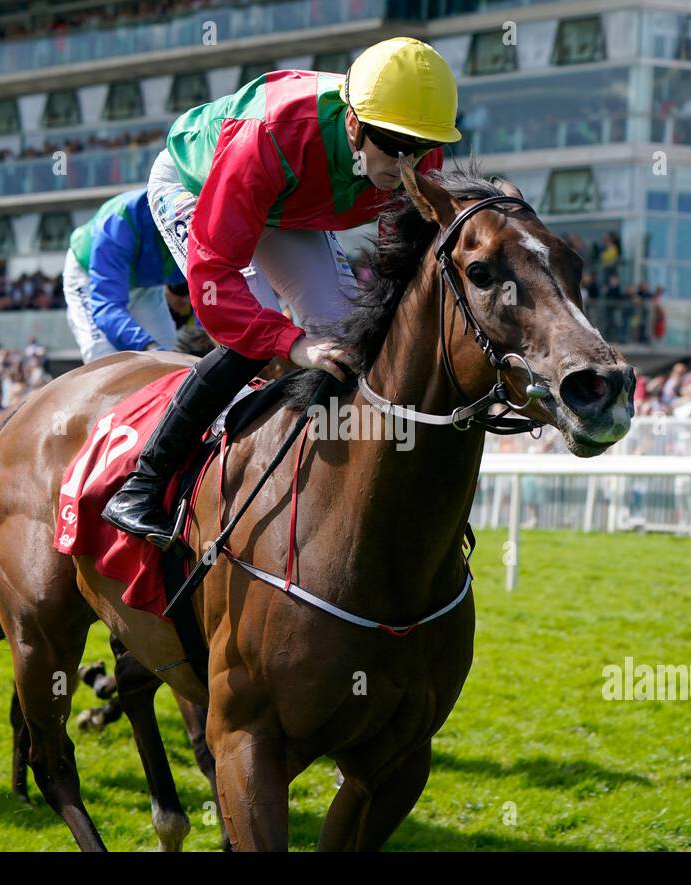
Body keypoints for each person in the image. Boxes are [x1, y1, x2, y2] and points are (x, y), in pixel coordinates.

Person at [101, 38, 458, 545]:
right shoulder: (270, 135)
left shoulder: (419, 150)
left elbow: (400, 266)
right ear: (353, 124)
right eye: (394, 146)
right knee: (256, 332)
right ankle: (142, 482)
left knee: (345, 343)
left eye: (419, 149)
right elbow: (214, 282)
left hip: (289, 205)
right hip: (202, 186)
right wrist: (289, 343)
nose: (408, 164)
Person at [64, 187, 203, 363]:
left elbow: (214, 292)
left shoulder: (202, 226)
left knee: (173, 361)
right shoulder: (119, 222)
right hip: (90, 277)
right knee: (104, 359)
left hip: (145, 283)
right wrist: (149, 348)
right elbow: (107, 309)